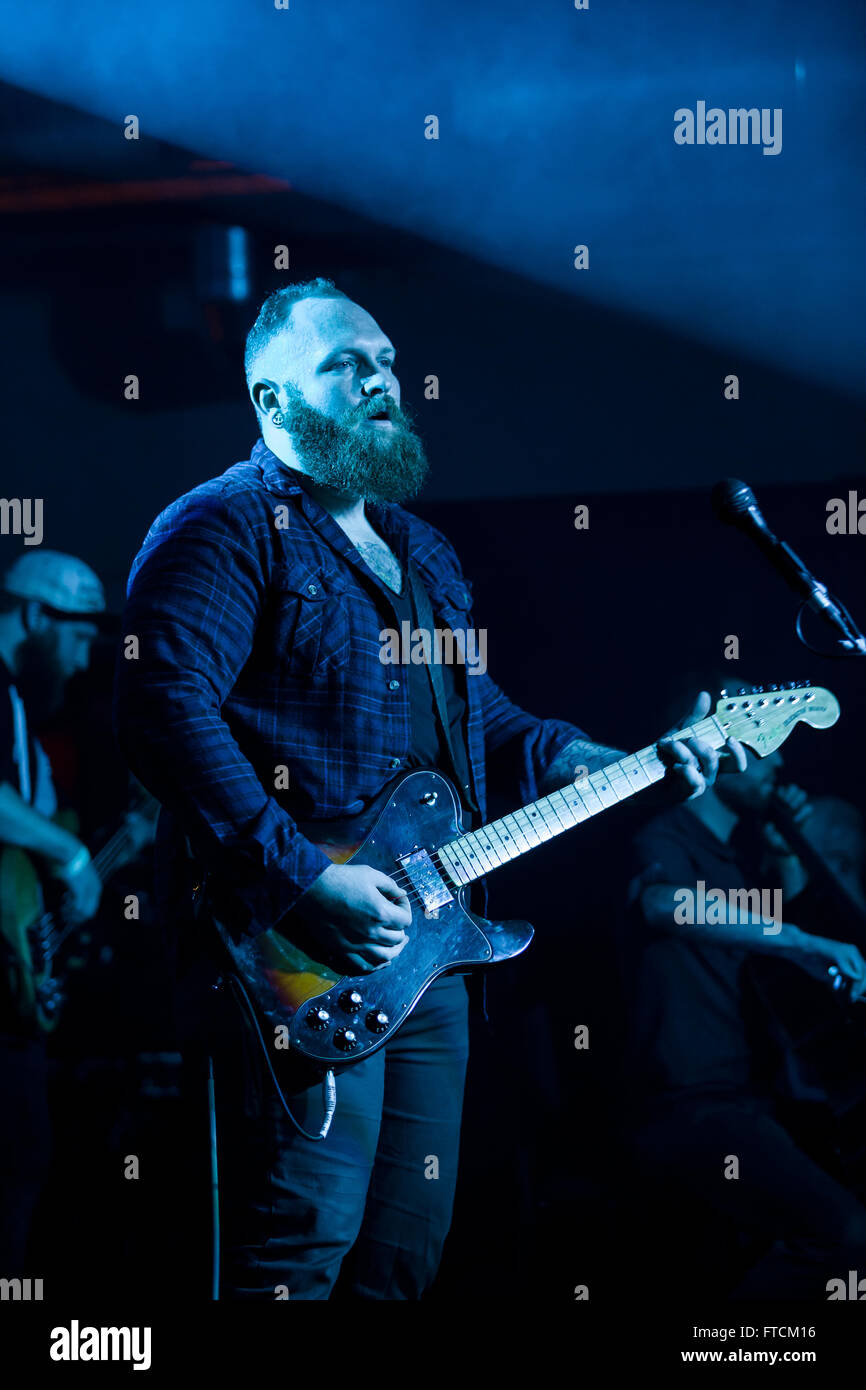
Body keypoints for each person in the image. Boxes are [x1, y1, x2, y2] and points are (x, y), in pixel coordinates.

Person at [113, 276, 744, 1300]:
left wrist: (604, 764)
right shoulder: (221, 529)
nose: (380, 381)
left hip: (429, 956)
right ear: (272, 404)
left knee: (403, 1255)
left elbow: (479, 727)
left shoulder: (421, 552)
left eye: (388, 361)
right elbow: (162, 711)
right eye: (344, 365)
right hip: (292, 950)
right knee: (296, 1246)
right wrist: (300, 881)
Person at [621, 714, 866, 1300]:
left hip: (749, 1095)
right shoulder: (659, 832)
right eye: (766, 746)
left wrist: (785, 858)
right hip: (682, 1100)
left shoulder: (738, 863)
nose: (780, 763)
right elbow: (662, 904)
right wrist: (807, 942)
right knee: (847, 1237)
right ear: (717, 744)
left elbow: (779, 967)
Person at [0, 550, 105, 1274]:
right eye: (78, 638)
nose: (82, 661)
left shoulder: (21, 721)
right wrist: (70, 857)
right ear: (37, 616)